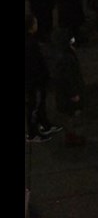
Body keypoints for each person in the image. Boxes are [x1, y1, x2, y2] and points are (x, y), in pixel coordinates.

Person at [25, 13, 62, 143]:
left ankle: (44, 124)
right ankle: (32, 133)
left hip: (35, 80)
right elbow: (35, 64)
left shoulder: (31, 42)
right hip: (34, 81)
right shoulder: (30, 44)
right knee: (34, 105)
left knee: (39, 103)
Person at [50, 28, 86, 146]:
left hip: (62, 95)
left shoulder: (59, 54)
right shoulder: (66, 58)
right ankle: (71, 137)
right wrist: (73, 94)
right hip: (67, 95)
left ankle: (71, 135)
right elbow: (68, 79)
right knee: (69, 116)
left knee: (68, 115)